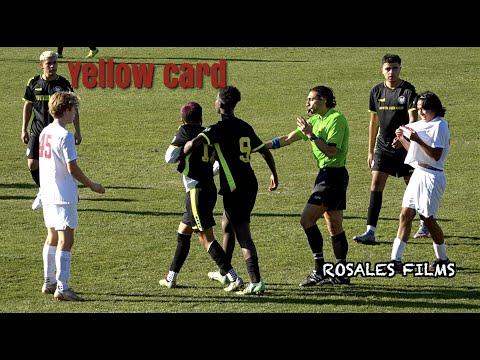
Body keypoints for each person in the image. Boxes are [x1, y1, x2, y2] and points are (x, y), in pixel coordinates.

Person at [183, 86, 279, 295]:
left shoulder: (217, 129)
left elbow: (194, 144)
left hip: (235, 188)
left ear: (221, 105)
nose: (214, 103)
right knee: (227, 224)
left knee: (242, 231)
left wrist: (183, 148)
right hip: (249, 183)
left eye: (216, 100)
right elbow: (263, 151)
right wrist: (274, 174)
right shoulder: (245, 126)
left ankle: (256, 281)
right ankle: (224, 271)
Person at [264, 85, 351, 286]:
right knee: (334, 226)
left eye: (311, 99)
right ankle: (342, 273)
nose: (307, 103)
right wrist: (259, 146)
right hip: (328, 176)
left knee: (307, 220)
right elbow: (287, 139)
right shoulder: (314, 121)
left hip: (332, 177)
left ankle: (319, 270)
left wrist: (311, 134)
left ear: (324, 100)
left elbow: (331, 151)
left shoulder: (336, 119)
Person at [160, 101, 243, 292]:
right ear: (201, 118)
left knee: (206, 238)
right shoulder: (208, 133)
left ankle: (233, 277)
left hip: (197, 192)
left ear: (183, 120)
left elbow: (168, 157)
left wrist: (183, 150)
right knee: (183, 232)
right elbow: (218, 164)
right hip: (207, 189)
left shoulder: (184, 132)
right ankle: (171, 278)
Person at [353, 53, 429, 244]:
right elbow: (373, 122)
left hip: (404, 147)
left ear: (400, 69)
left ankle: (425, 222)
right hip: (383, 148)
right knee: (376, 184)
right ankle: (370, 231)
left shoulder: (408, 90)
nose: (391, 72)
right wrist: (370, 150)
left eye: (395, 68)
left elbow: (413, 120)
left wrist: (403, 136)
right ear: (382, 70)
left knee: (413, 185)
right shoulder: (376, 92)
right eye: (388, 69)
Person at [39, 91, 105, 301]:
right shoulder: (65, 136)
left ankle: (48, 282)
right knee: (66, 241)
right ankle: (63, 287)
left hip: (47, 193)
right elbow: (72, 169)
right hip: (63, 195)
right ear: (66, 110)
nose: (75, 113)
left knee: (51, 237)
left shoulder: (45, 132)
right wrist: (92, 185)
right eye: (74, 109)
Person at [389, 91, 450, 271]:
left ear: (434, 108)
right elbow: (415, 154)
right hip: (419, 173)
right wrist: (402, 139)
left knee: (428, 219)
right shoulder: (422, 125)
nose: (421, 112)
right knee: (405, 215)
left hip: (432, 176)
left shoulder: (440, 126)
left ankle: (443, 259)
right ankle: (395, 261)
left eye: (424, 109)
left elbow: (436, 156)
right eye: (418, 109)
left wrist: (416, 139)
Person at [22, 50, 82, 211]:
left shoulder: (63, 84)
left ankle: (69, 192)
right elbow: (28, 106)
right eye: (49, 63)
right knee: (32, 164)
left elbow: (74, 108)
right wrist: (24, 129)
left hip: (56, 132)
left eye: (55, 62)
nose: (52, 66)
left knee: (62, 167)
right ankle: (44, 190)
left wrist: (78, 131)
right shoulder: (33, 83)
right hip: (37, 131)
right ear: (41, 65)